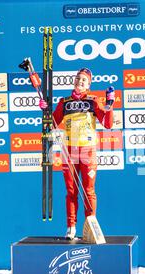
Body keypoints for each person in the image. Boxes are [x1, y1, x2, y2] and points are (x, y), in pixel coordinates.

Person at [40, 68, 114, 239]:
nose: (80, 81)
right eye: (78, 78)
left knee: (89, 191)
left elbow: (108, 124)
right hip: (69, 151)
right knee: (71, 191)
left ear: (89, 84)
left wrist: (110, 105)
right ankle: (71, 227)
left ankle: (91, 226)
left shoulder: (94, 101)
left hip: (88, 151)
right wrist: (44, 111)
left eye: (84, 80)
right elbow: (51, 124)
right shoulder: (64, 102)